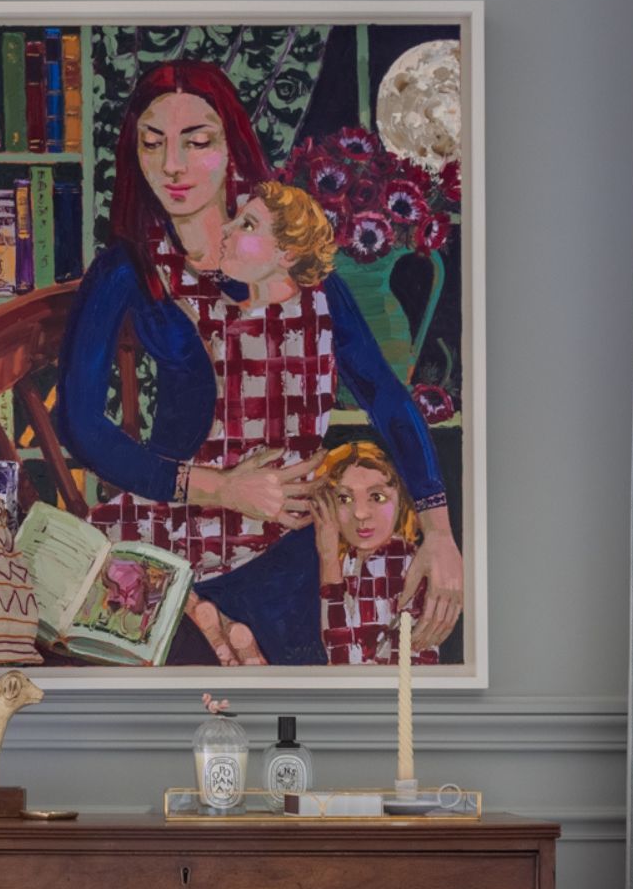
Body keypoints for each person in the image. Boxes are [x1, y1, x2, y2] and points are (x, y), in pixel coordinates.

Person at [54, 61, 464, 663]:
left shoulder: (302, 271)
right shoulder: (127, 271)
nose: (173, 165)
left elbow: (383, 392)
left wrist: (440, 529)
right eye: (152, 142)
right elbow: (80, 426)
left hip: (296, 543)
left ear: (232, 149)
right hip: (177, 534)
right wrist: (221, 488)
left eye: (198, 142)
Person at [313, 439, 440, 667]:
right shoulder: (346, 560)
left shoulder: (401, 565)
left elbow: (344, 659)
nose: (360, 513)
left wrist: (329, 563)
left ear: (401, 499)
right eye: (344, 498)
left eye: (377, 497)